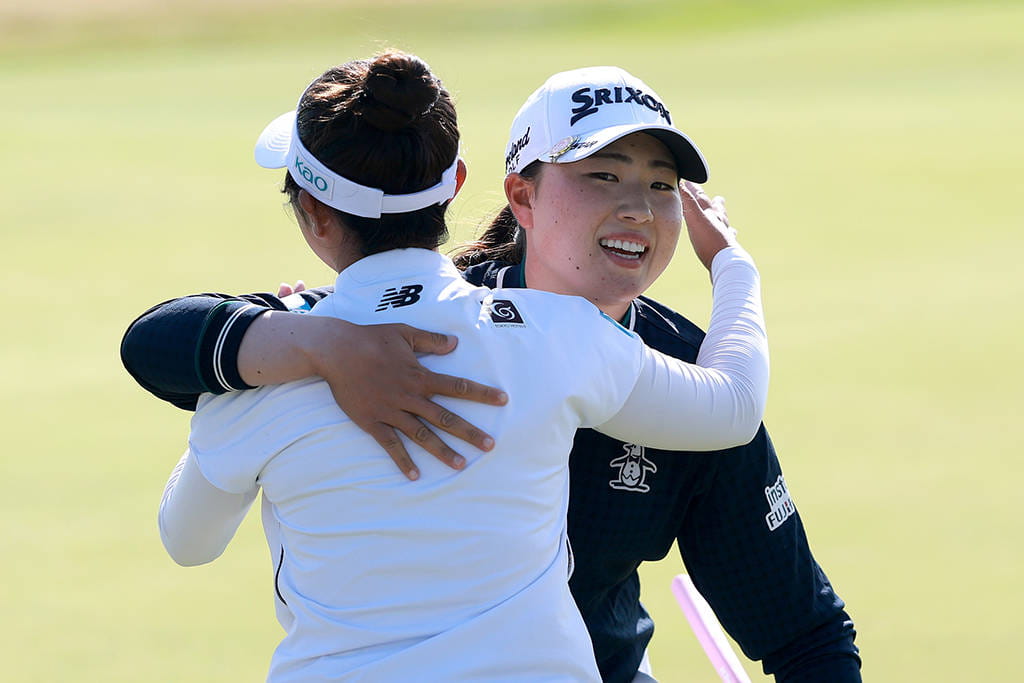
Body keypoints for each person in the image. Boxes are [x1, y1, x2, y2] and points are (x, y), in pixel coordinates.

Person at [123, 66, 860, 681]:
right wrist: (734, 265)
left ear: (315, 216)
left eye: (661, 184)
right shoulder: (557, 339)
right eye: (601, 174)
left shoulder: (271, 363)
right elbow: (159, 338)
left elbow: (805, 635)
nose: (636, 206)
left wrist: (299, 349)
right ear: (513, 195)